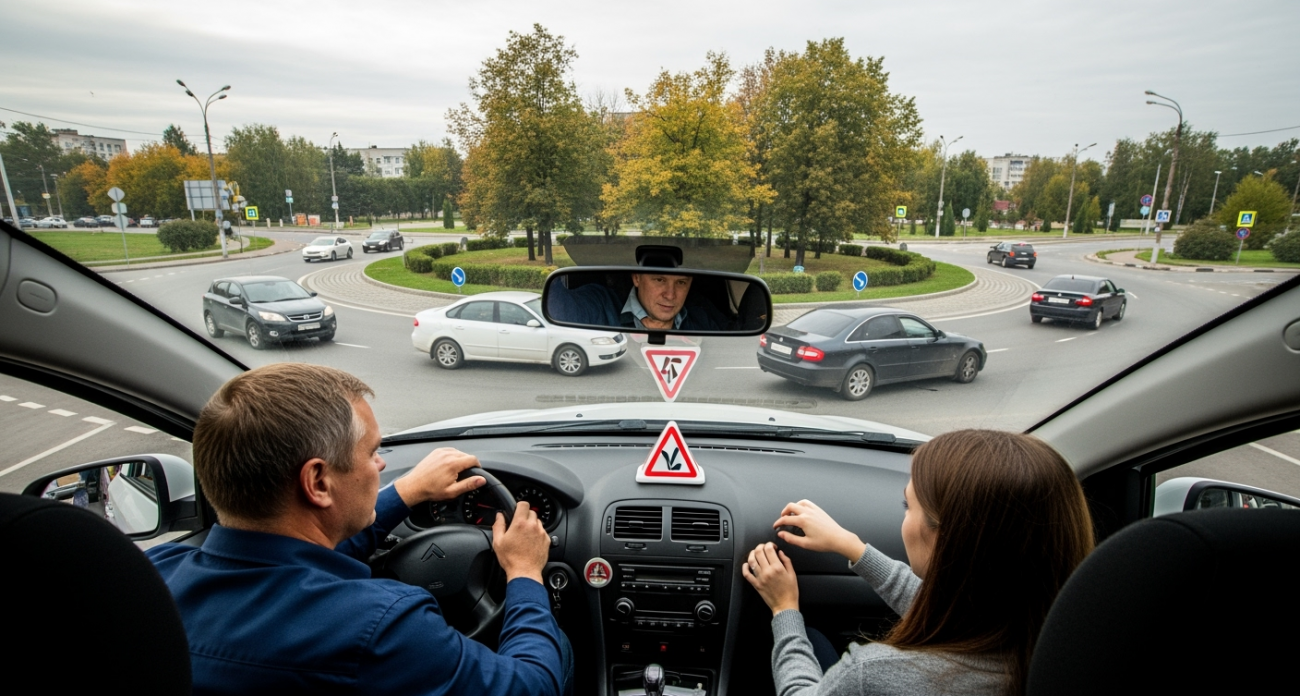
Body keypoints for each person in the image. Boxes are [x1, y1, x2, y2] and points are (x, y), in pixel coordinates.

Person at [147, 363, 570, 696]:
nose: (382, 465)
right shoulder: (380, 628)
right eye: (371, 452)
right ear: (317, 482)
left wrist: (405, 492)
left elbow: (293, 563)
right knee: (562, 652)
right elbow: (532, 685)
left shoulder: (149, 578)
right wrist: (525, 574)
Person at [743, 429, 1094, 696]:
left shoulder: (874, 676)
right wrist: (851, 547)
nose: (906, 515)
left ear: (949, 541)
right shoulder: (1068, 645)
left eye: (907, 506)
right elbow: (943, 607)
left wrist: (784, 609)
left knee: (808, 636)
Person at [546, 271, 727, 331]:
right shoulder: (600, 304)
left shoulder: (702, 315)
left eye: (681, 283)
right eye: (659, 280)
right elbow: (558, 310)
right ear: (637, 279)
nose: (670, 295)